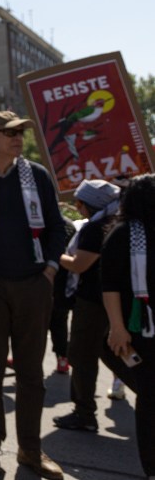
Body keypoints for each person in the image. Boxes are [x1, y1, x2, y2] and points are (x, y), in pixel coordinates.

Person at [0, 111, 66, 480]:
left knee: (31, 375)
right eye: (8, 133)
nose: (17, 138)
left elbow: (57, 226)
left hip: (33, 284)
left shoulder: (35, 175)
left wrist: (50, 270)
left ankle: (31, 450)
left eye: (20, 132)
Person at [54, 179, 132, 432]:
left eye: (79, 202)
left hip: (93, 303)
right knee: (114, 353)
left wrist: (54, 255)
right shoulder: (120, 225)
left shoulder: (95, 229)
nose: (76, 207)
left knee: (81, 355)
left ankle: (84, 413)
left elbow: (78, 265)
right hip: (114, 301)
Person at [101, 173, 155, 479]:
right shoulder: (121, 234)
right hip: (138, 330)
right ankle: (151, 466)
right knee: (150, 396)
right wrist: (117, 327)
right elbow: (109, 286)